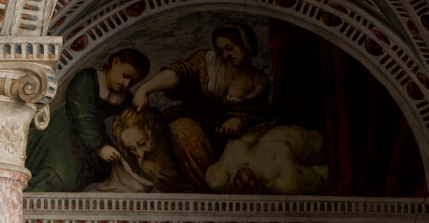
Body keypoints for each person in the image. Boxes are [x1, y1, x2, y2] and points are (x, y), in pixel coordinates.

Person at [132, 22, 272, 189]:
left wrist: (238, 120)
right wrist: (145, 89)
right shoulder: (208, 61)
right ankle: (195, 190)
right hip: (195, 119)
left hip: (226, 139)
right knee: (178, 129)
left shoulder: (259, 81)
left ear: (246, 44)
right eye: (222, 50)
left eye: (229, 48)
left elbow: (257, 112)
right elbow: (180, 72)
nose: (226, 54)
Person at [25, 48, 150, 192]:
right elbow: (82, 114)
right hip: (64, 131)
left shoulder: (124, 97)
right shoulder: (87, 79)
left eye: (132, 82)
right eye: (125, 75)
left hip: (93, 134)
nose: (126, 83)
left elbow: (135, 118)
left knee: (104, 173)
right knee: (62, 174)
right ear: (115, 62)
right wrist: (100, 147)